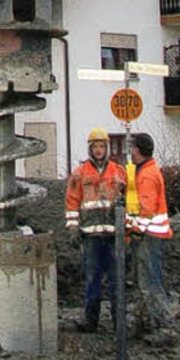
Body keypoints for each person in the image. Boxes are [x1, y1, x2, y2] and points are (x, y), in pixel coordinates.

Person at [65, 126, 126, 332]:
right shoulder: (80, 174)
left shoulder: (118, 172)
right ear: (90, 149)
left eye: (102, 146)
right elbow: (72, 203)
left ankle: (119, 321)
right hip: (90, 236)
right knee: (93, 280)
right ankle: (91, 321)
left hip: (113, 236)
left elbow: (128, 201)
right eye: (96, 146)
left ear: (107, 148)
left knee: (116, 280)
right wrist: (73, 228)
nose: (99, 150)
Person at [125, 132, 175, 341]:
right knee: (143, 280)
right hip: (150, 234)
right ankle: (145, 322)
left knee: (149, 282)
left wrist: (134, 229)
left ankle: (163, 327)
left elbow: (146, 209)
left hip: (149, 235)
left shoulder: (146, 175)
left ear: (138, 150)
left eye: (132, 147)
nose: (130, 151)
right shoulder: (145, 171)